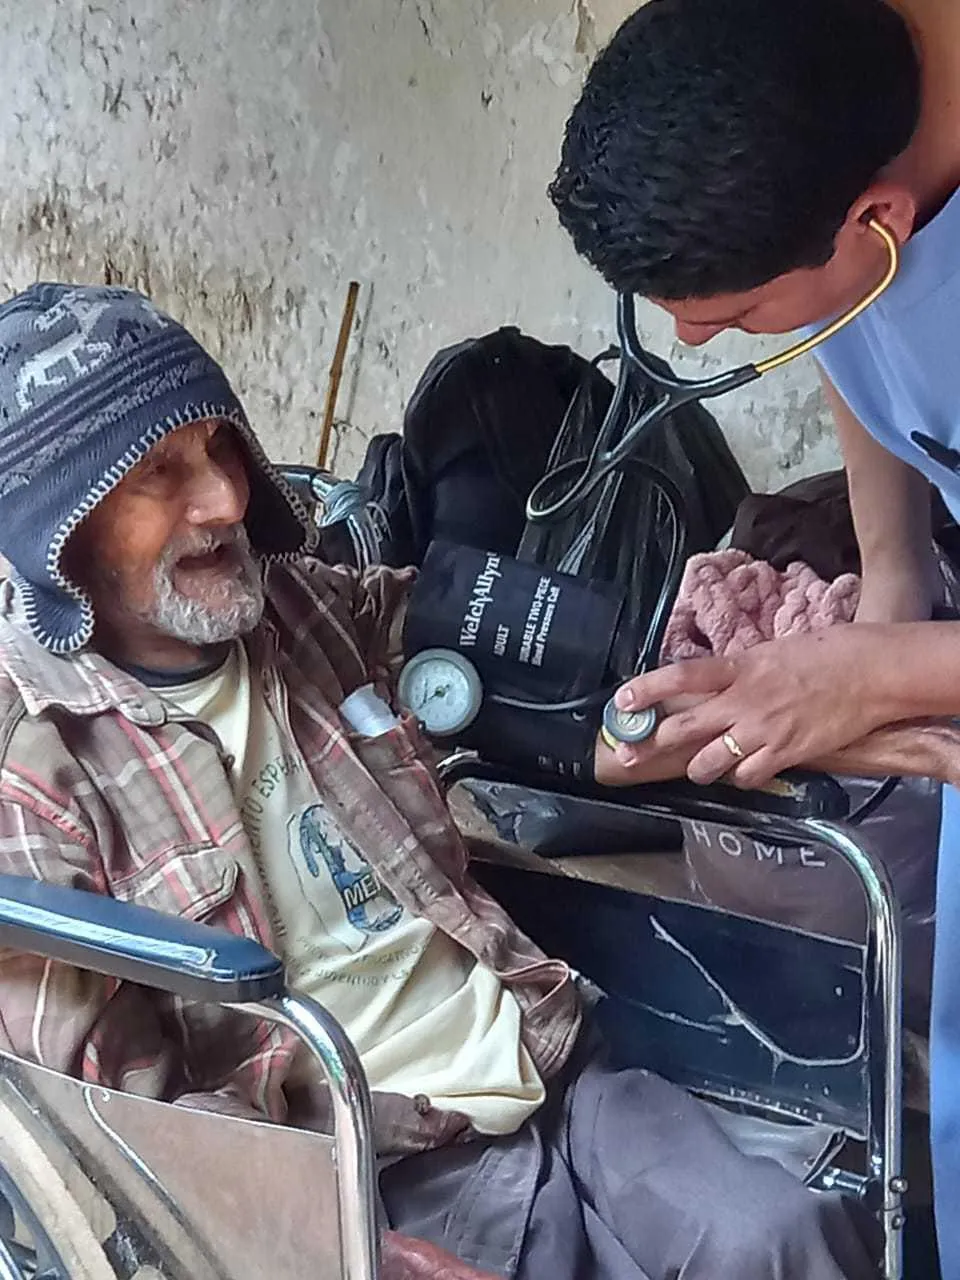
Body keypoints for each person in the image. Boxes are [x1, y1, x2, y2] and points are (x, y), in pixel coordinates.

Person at [0, 282, 879, 1279]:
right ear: (59, 524)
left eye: (217, 446)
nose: (225, 499)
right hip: (365, 1158)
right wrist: (326, 1242)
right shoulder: (36, 769)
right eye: (160, 470)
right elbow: (109, 1123)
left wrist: (726, 689)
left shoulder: (297, 608)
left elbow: (487, 647)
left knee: (781, 1238)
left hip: (541, 1053)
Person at [548, 0, 960, 1269]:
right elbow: (856, 324)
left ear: (876, 222)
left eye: (732, 316)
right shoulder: (815, 85)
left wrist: (875, 670)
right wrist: (891, 586)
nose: (688, 340)